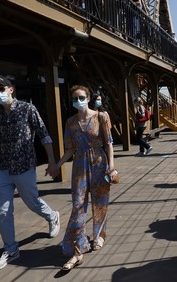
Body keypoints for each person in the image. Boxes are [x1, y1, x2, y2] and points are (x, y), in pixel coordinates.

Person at [0, 76, 60, 271]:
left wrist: (52, 162)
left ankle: (52, 216)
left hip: (24, 166)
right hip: (2, 169)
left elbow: (44, 134)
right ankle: (11, 249)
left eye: (1, 88)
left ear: (11, 89)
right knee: (3, 212)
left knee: (32, 202)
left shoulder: (28, 109)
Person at [49, 85, 117, 270]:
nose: (77, 101)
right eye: (74, 98)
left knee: (100, 202)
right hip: (79, 165)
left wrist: (111, 167)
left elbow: (109, 143)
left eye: (80, 97)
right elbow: (70, 148)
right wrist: (57, 164)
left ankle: (98, 236)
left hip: (99, 162)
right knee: (78, 205)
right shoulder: (70, 122)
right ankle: (78, 244)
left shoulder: (101, 117)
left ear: (88, 98)